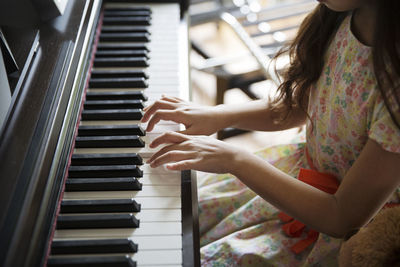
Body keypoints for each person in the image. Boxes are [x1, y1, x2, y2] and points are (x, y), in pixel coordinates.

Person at [141, 0, 400, 265]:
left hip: (331, 232)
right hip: (295, 175)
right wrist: (220, 115)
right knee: (169, 219)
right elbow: (302, 105)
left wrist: (234, 159)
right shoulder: (342, 16)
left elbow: (340, 217)